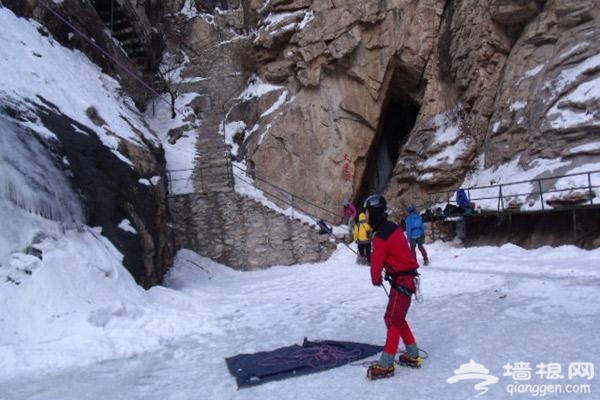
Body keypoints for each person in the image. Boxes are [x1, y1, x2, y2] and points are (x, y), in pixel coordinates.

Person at [363, 194, 422, 380]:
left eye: (367, 213)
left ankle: (386, 364)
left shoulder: (380, 237)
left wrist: (376, 280)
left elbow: (375, 269)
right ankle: (412, 353)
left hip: (402, 282)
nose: (366, 217)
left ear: (374, 213)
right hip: (407, 281)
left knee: (392, 319)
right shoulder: (394, 228)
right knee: (398, 317)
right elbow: (397, 254)